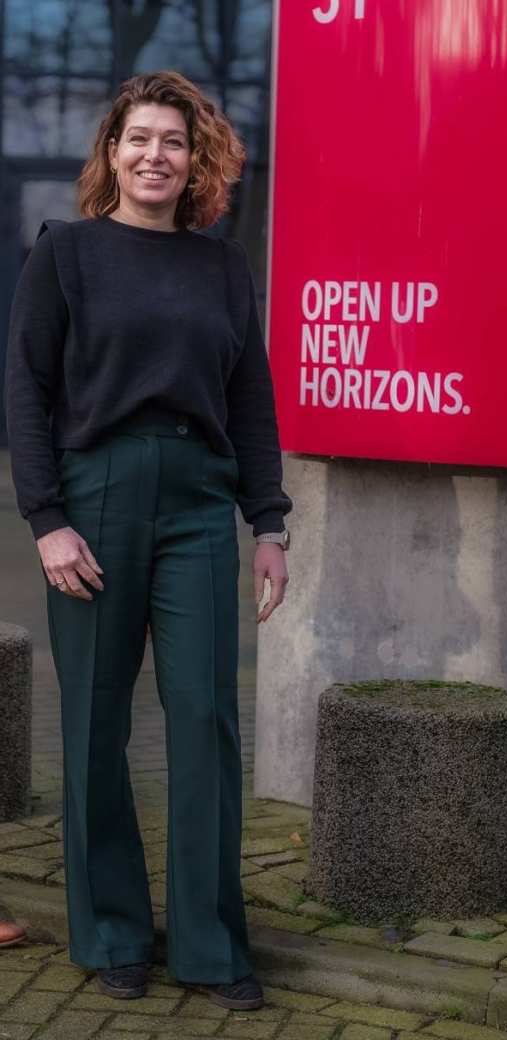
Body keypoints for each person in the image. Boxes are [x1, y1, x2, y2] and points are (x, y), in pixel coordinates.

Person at [4, 71, 291, 1010]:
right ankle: (113, 932)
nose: (154, 155)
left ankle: (211, 945)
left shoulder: (222, 268)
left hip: (202, 505)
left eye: (173, 141)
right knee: (92, 722)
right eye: (139, 139)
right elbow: (27, 394)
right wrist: (46, 520)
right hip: (95, 498)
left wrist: (269, 523)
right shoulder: (67, 253)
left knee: (206, 717)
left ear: (195, 159)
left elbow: (250, 403)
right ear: (112, 153)